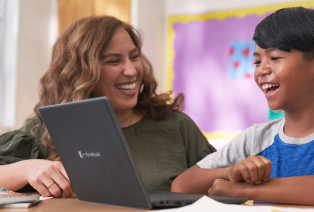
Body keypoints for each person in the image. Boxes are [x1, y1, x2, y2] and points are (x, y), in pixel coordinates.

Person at [171, 7, 314, 206]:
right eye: (257, 61)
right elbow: (181, 186)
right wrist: (230, 172)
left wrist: (244, 190)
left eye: (275, 58)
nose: (261, 70)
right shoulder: (255, 138)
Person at [0, 16, 215, 198]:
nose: (131, 71)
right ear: (81, 72)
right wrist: (26, 168)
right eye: (114, 61)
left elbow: (225, 182)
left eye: (134, 56)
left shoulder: (177, 126)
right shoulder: (47, 129)